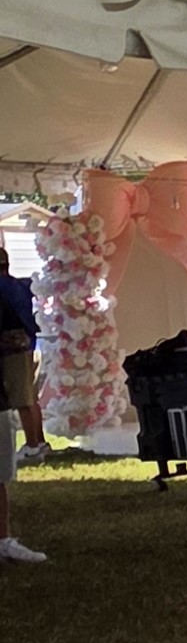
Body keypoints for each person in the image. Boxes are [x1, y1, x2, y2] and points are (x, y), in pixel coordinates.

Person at [0, 235, 46, 565]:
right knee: (27, 399)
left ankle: (3, 539)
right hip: (19, 358)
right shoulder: (15, 287)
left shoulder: (7, 290)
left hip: (9, 370)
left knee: (24, 400)